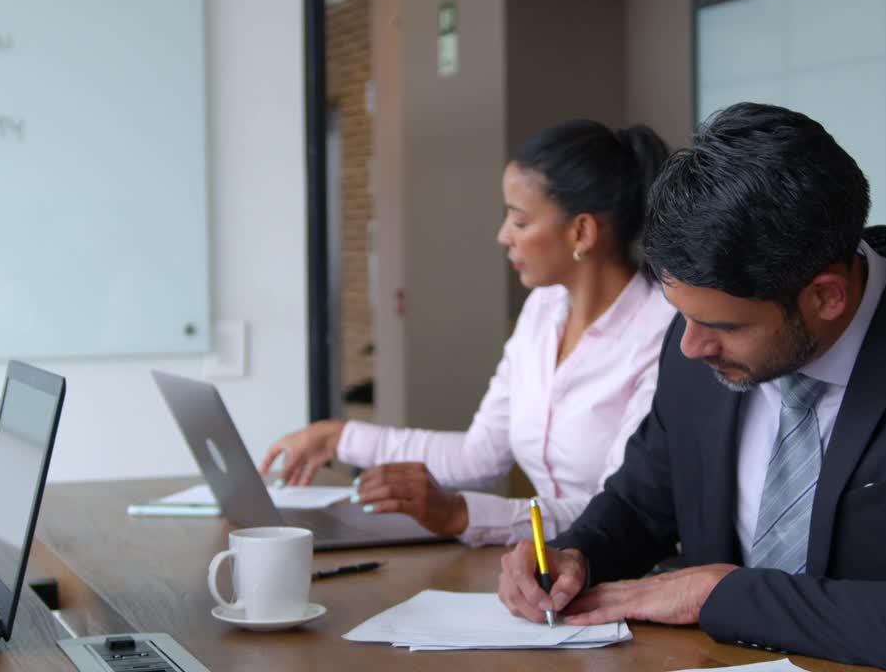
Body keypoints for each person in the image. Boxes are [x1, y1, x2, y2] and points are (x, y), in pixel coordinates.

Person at [496, 103, 886, 672]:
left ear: (827, 296)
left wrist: (716, 591)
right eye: (684, 315)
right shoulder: (698, 344)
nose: (690, 345)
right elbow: (639, 503)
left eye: (723, 326)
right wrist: (575, 555)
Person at [260, 119, 677, 546]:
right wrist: (338, 438)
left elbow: (620, 511)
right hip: (556, 567)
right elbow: (477, 456)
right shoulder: (543, 310)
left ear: (582, 232)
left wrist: (459, 513)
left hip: (633, 575)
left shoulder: (663, 333)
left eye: (519, 221)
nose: (503, 236)